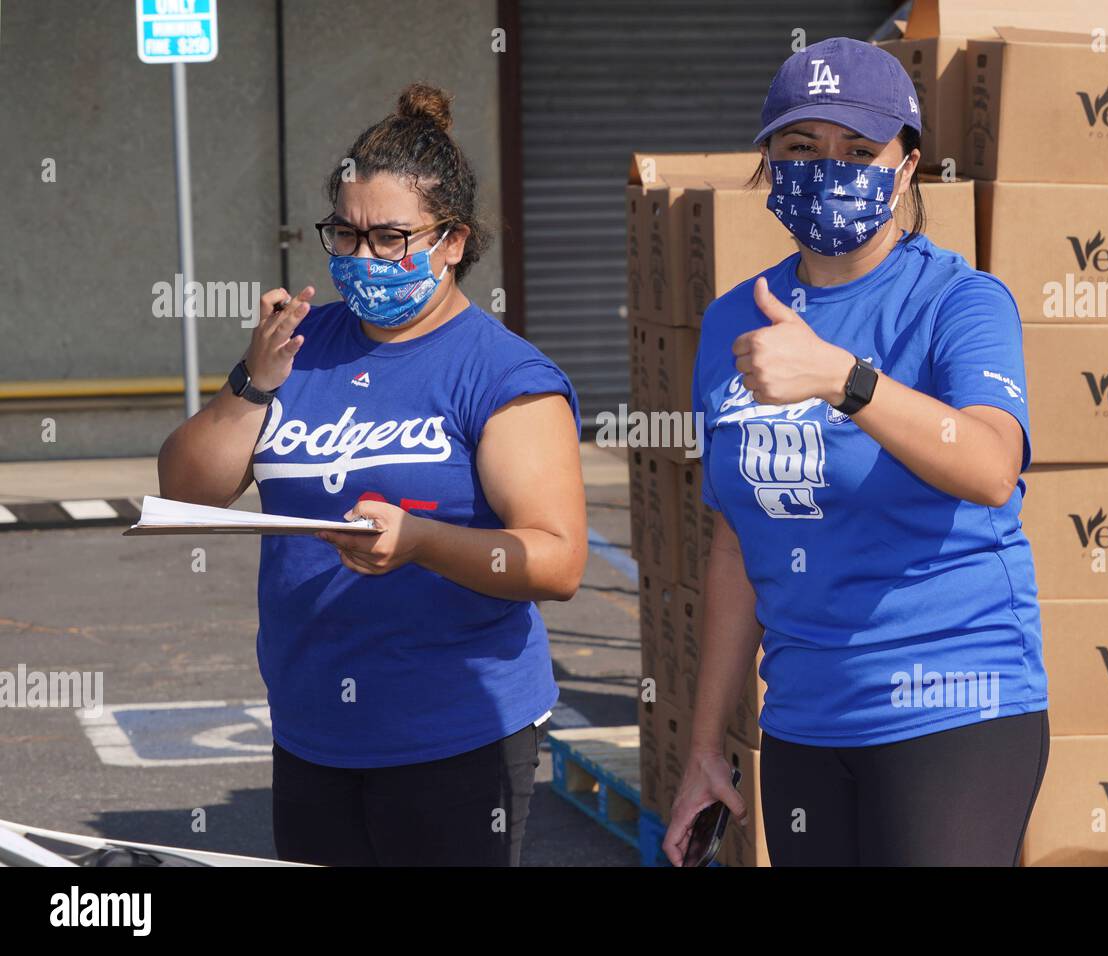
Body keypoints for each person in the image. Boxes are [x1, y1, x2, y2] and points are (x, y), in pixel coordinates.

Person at [157, 84, 587, 866]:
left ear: (453, 241)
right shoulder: (298, 344)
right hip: (314, 729)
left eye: (391, 238)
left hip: (456, 735)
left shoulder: (502, 374)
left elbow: (555, 562)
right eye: (346, 235)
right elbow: (186, 495)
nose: (363, 259)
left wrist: (422, 541)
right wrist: (253, 382)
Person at [664, 38, 1050, 867]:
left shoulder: (960, 300)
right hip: (807, 717)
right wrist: (704, 746)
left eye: (858, 151)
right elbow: (737, 540)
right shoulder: (735, 320)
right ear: (767, 162)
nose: (827, 169)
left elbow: (990, 467)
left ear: (906, 168)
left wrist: (847, 380)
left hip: (956, 705)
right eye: (801, 149)